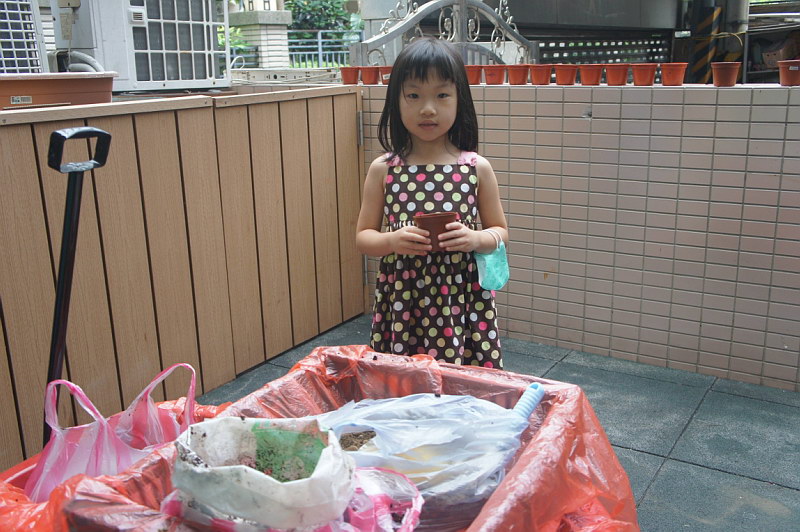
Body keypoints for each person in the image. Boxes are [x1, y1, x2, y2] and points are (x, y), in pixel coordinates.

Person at [355, 37, 509, 369]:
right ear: (396, 101)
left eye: (442, 95)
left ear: (459, 100)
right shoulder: (384, 169)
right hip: (404, 299)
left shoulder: (476, 168)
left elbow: (500, 231)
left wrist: (475, 238)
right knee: (404, 379)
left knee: (462, 377)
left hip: (461, 299)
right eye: (413, 95)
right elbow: (364, 237)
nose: (428, 108)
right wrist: (392, 241)